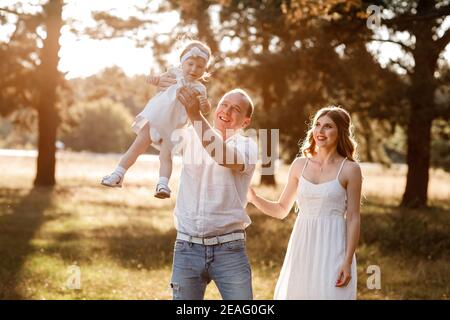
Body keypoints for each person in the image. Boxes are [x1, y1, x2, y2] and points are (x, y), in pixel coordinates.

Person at [247, 106, 362, 300]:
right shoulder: (300, 165)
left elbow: (353, 218)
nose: (320, 131)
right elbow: (281, 209)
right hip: (303, 243)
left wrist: (347, 261)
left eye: (328, 126)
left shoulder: (350, 169)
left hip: (334, 245)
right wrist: (254, 198)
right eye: (317, 125)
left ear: (340, 131)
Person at [160, 80, 258, 300]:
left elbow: (222, 156)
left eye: (236, 109)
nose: (227, 111)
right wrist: (168, 94)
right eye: (224, 104)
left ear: (245, 122)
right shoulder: (190, 134)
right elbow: (159, 135)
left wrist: (196, 116)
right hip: (186, 246)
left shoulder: (247, 146)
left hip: (229, 248)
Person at [101, 40, 212, 199]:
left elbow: (205, 111)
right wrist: (154, 80)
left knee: (166, 156)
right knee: (137, 146)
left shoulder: (199, 88)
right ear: (182, 62)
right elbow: (156, 81)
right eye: (190, 64)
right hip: (155, 118)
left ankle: (163, 185)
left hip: (174, 127)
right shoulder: (173, 73)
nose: (194, 69)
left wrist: (205, 103)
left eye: (200, 67)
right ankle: (118, 174)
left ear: (204, 69)